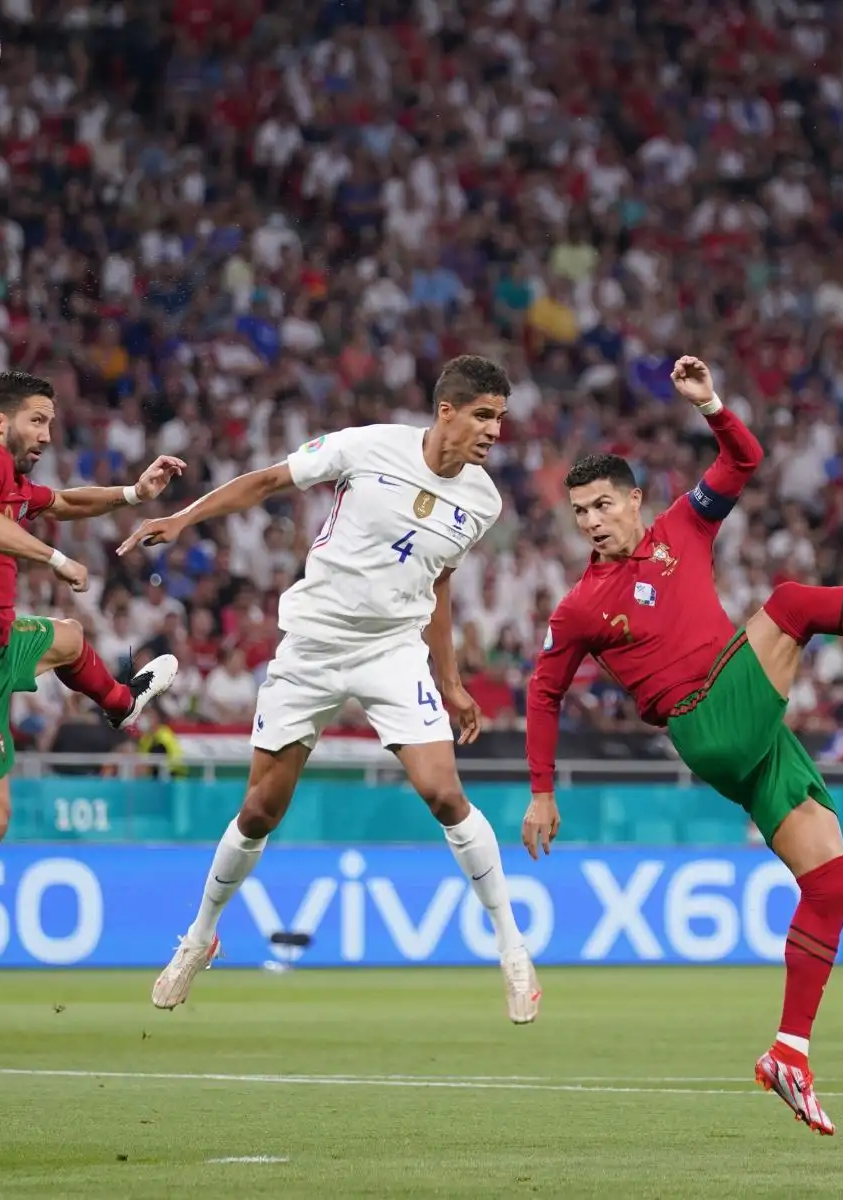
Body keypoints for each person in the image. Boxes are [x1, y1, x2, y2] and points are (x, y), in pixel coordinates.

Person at [522, 356, 843, 1135]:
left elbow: (742, 460)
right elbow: (543, 690)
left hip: (751, 728)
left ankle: (790, 1051)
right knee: (788, 604)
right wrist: (542, 789)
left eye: (602, 505)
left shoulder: (685, 523)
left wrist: (711, 402)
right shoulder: (581, 605)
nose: (589, 521)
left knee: (834, 882)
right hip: (708, 721)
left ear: (636, 500)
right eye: (579, 510)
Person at [119, 355, 542, 1023]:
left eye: (501, 419)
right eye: (484, 415)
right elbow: (265, 482)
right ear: (447, 412)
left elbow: (438, 584)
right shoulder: (367, 445)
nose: (494, 431)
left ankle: (512, 950)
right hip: (314, 644)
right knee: (259, 811)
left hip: (393, 650)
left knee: (445, 793)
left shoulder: (483, 500)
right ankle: (199, 937)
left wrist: (452, 680)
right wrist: (181, 521)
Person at [0, 369, 184, 1035]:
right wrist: (56, 563)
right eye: (36, 422)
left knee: (68, 638)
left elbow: (64, 503)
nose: (46, 435)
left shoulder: (11, 478)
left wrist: (133, 493)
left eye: (49, 423)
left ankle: (118, 704)